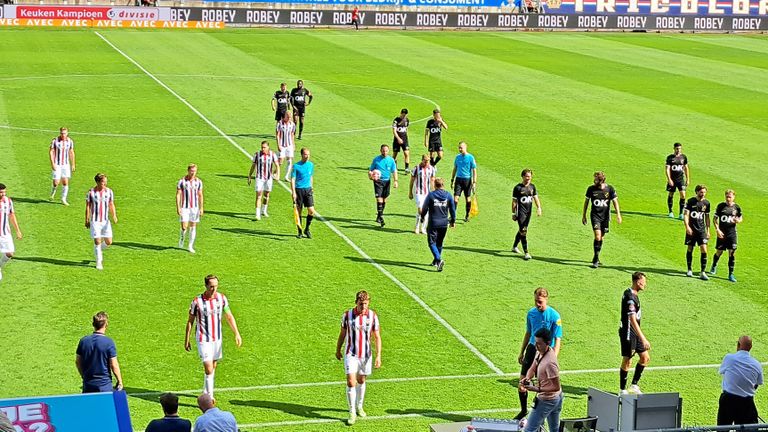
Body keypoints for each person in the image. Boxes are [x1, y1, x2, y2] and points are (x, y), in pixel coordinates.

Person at [184, 274, 243, 399]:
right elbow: (190, 321)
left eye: (216, 286)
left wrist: (236, 333)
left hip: (217, 338)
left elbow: (229, 316)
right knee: (209, 367)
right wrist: (187, 339)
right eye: (211, 287)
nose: (214, 289)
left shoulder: (221, 299)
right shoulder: (197, 302)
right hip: (203, 339)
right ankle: (210, 397)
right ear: (206, 286)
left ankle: (205, 391)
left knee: (213, 366)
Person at [515, 288, 562, 420]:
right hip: (532, 349)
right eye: (536, 301)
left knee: (543, 386)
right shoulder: (531, 314)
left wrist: (552, 358)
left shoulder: (555, 316)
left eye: (540, 301)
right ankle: (523, 411)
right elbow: (528, 332)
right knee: (522, 384)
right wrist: (522, 351)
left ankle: (539, 413)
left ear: (546, 299)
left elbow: (558, 339)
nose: (537, 304)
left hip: (545, 353)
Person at [335, 290, 381, 426]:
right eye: (361, 304)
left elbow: (377, 336)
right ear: (356, 302)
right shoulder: (347, 315)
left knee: (361, 380)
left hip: (366, 355)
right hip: (351, 354)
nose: (364, 307)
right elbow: (342, 334)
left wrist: (378, 355)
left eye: (366, 304)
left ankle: (359, 406)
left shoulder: (373, 316)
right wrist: (338, 349)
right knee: (351, 381)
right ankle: (352, 411)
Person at [519, 328, 563, 432]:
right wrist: (527, 378)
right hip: (555, 397)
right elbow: (533, 366)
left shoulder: (550, 363)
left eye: (539, 343)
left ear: (548, 343)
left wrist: (537, 389)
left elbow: (556, 386)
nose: (536, 346)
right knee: (554, 429)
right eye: (535, 342)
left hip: (547, 400)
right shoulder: (541, 352)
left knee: (529, 430)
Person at [717, 335, 763, 426]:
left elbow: (722, 372)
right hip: (746, 403)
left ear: (738, 345)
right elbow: (758, 383)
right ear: (751, 347)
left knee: (722, 429)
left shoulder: (729, 358)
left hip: (728, 401)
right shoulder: (757, 364)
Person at [75, 311, 124, 393]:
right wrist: (120, 381)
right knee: (105, 405)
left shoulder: (83, 341)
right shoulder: (108, 342)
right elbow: (113, 365)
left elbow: (78, 362)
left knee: (89, 406)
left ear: (93, 324)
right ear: (106, 324)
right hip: (104, 385)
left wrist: (84, 376)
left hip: (88, 384)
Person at [582, 171, 621, 268]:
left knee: (601, 237)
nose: (594, 181)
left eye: (595, 179)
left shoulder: (610, 189)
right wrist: (584, 215)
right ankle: (595, 258)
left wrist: (618, 215)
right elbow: (586, 202)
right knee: (598, 236)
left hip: (605, 217)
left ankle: (597, 255)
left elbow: (615, 202)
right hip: (595, 216)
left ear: (601, 180)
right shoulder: (591, 189)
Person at [619, 272, 650, 395]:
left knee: (645, 358)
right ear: (638, 282)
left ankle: (634, 385)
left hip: (635, 333)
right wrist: (643, 338)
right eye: (643, 282)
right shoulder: (630, 298)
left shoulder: (632, 293)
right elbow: (632, 319)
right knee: (628, 359)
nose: (645, 285)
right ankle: (622, 390)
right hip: (629, 333)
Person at [421, 178, 456, 272]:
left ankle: (439, 259)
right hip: (444, 224)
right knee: (439, 243)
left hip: (433, 223)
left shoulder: (431, 195)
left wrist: (422, 217)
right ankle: (435, 261)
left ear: (435, 185)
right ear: (443, 185)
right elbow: (452, 209)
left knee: (432, 243)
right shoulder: (448, 195)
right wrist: (453, 221)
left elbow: (424, 208)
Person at [85, 173, 117, 271]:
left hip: (105, 220)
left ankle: (97, 249)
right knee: (97, 240)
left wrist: (114, 215)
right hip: (95, 221)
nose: (105, 184)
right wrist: (86, 219)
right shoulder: (91, 193)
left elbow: (111, 204)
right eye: (103, 182)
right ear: (98, 182)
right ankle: (99, 261)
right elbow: (88, 206)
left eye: (106, 182)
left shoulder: (109, 192)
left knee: (109, 242)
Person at [711, 189, 742, 283]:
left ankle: (731, 273)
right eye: (727, 197)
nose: (728, 199)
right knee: (719, 252)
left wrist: (738, 221)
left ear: (734, 197)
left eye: (730, 197)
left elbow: (740, 217)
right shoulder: (721, 206)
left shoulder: (736, 207)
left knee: (732, 253)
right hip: (722, 234)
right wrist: (717, 230)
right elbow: (715, 219)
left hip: (732, 234)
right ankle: (714, 264)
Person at [512, 169, 542, 260]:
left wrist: (539, 208)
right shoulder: (517, 188)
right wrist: (513, 213)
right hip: (521, 213)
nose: (528, 178)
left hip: (528, 213)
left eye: (530, 176)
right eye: (527, 176)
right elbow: (514, 202)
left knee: (522, 230)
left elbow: (535, 197)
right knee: (523, 231)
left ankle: (514, 247)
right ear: (523, 176)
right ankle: (526, 252)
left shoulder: (532, 187)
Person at [684, 184, 711, 280]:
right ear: (697, 192)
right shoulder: (691, 201)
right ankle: (689, 269)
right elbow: (686, 215)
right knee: (690, 248)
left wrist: (708, 230)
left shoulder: (707, 203)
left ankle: (702, 272)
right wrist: (687, 227)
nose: (703, 194)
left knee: (704, 249)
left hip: (701, 230)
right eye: (701, 192)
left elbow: (707, 218)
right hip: (691, 230)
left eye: (704, 192)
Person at [247, 140, 279, 221]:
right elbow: (253, 166)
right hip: (259, 178)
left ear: (268, 147)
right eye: (262, 147)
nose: (263, 149)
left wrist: (277, 174)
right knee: (258, 196)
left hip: (268, 178)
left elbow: (277, 165)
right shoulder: (257, 154)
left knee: (267, 195)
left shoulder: (272, 154)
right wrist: (250, 176)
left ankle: (264, 210)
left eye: (264, 147)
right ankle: (257, 214)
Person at [176, 164, 204, 254]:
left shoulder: (198, 182)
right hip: (185, 207)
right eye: (191, 171)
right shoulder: (182, 181)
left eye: (194, 171)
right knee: (184, 226)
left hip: (194, 208)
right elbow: (178, 194)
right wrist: (178, 207)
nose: (193, 173)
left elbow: (200, 195)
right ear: (188, 171)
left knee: (193, 226)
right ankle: (182, 237)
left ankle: (190, 246)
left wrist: (201, 207)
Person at [369, 144, 398, 227]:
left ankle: (379, 215)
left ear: (388, 151)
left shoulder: (391, 160)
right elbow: (370, 170)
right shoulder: (376, 160)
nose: (384, 152)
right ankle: (381, 217)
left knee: (385, 199)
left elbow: (394, 171)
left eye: (386, 151)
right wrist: (370, 176)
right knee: (379, 199)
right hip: (378, 181)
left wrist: (396, 181)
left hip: (387, 182)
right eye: (383, 150)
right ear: (380, 150)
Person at [291, 148, 316, 239]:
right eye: (305, 154)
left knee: (311, 211)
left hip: (308, 190)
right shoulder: (296, 166)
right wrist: (293, 192)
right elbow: (293, 179)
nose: (307, 156)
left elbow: (311, 176)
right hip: (299, 190)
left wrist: (311, 186)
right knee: (299, 211)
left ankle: (307, 229)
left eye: (308, 154)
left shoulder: (311, 165)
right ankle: (300, 231)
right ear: (301, 155)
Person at [450, 141, 477, 223]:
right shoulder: (457, 157)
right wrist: (452, 179)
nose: (460, 149)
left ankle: (467, 215)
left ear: (465, 147)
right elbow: (455, 168)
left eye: (461, 148)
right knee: (456, 198)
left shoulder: (471, 157)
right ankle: (452, 216)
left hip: (467, 180)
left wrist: (474, 182)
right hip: (458, 180)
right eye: (459, 148)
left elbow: (474, 170)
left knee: (467, 198)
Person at [0, 184, 22, 283]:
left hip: (5, 233)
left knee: (10, 253)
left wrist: (17, 230)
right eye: (1, 192)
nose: (3, 194)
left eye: (4, 192)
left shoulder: (8, 201)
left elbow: (12, 215)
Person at [409, 154, 436, 235]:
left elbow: (432, 180)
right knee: (420, 208)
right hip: (418, 192)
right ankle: (417, 226)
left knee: (426, 211)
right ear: (422, 160)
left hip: (427, 192)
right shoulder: (416, 168)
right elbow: (412, 180)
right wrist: (410, 191)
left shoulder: (431, 169)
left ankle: (423, 228)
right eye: (425, 161)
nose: (427, 163)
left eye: (428, 161)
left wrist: (434, 191)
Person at [49, 126, 76, 206]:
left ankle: (63, 199)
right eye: (61, 133)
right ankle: (53, 192)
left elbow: (71, 152)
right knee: (56, 182)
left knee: (65, 182)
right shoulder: (55, 141)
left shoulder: (70, 141)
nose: (63, 135)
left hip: (65, 165)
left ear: (67, 133)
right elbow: (51, 151)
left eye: (64, 133)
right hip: (57, 164)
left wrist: (73, 164)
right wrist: (52, 163)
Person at [665, 142, 689, 219]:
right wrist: (669, 179)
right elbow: (667, 169)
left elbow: (686, 168)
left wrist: (687, 179)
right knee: (671, 194)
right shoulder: (670, 158)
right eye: (677, 149)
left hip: (680, 180)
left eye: (679, 149)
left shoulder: (683, 157)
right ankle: (670, 211)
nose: (678, 150)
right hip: (672, 180)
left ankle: (681, 213)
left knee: (683, 195)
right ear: (674, 149)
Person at [276, 111, 296, 183]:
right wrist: (278, 145)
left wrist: (293, 144)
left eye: (290, 117)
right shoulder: (280, 124)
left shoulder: (292, 124)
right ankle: (275, 172)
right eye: (288, 117)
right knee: (280, 161)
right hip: (282, 145)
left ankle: (286, 176)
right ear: (284, 116)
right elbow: (278, 135)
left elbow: (292, 134)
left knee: (289, 160)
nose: (289, 118)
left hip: (289, 145)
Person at [392, 108, 411, 173]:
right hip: (397, 140)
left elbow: (406, 129)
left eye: (405, 115)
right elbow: (394, 131)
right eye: (403, 115)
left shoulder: (407, 120)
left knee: (407, 153)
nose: (404, 116)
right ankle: (394, 167)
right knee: (395, 154)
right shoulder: (396, 120)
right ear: (401, 113)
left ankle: (407, 168)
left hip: (404, 140)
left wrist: (406, 137)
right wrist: (398, 138)